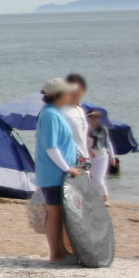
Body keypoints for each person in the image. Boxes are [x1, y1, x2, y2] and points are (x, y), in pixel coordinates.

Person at [35, 77, 83, 264]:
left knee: (61, 211)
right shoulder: (50, 115)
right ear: (58, 94)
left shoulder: (55, 113)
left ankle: (63, 250)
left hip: (58, 172)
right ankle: (56, 253)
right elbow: (51, 147)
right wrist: (67, 167)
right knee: (55, 211)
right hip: (53, 172)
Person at [62, 73, 91, 168]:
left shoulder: (80, 110)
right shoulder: (61, 111)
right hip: (70, 160)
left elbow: (83, 136)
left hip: (84, 159)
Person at [87, 110, 115, 204]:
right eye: (92, 117)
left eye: (96, 117)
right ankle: (92, 197)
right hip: (88, 155)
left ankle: (105, 199)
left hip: (101, 156)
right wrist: (89, 150)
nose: (94, 119)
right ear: (89, 118)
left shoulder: (103, 129)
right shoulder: (86, 128)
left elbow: (107, 143)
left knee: (98, 178)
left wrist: (112, 157)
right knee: (88, 178)